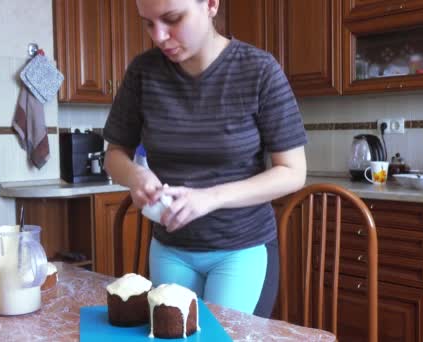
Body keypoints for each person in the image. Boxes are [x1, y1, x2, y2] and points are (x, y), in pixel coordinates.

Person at [103, 0, 307, 316]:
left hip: (241, 250)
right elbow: (114, 155)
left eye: (172, 19)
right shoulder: (144, 73)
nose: (158, 36)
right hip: (170, 249)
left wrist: (210, 198)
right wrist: (134, 175)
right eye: (148, 23)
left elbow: (292, 171)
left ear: (211, 4)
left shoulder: (259, 70)